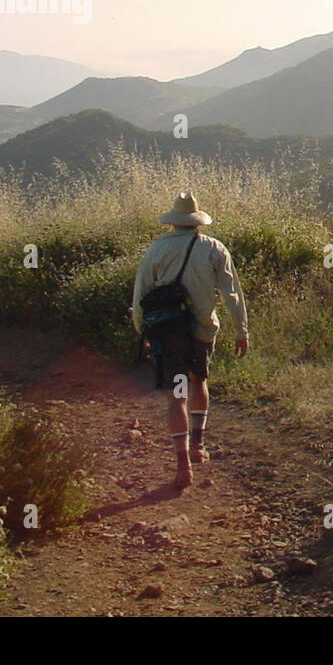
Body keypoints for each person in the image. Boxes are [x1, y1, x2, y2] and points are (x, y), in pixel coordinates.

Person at [132, 191, 249, 489]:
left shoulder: (155, 251)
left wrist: (142, 331)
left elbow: (141, 294)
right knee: (199, 381)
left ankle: (183, 464)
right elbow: (231, 293)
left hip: (168, 333)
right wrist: (241, 330)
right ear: (197, 220)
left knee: (177, 394)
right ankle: (198, 444)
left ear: (173, 221)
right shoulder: (213, 248)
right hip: (201, 330)